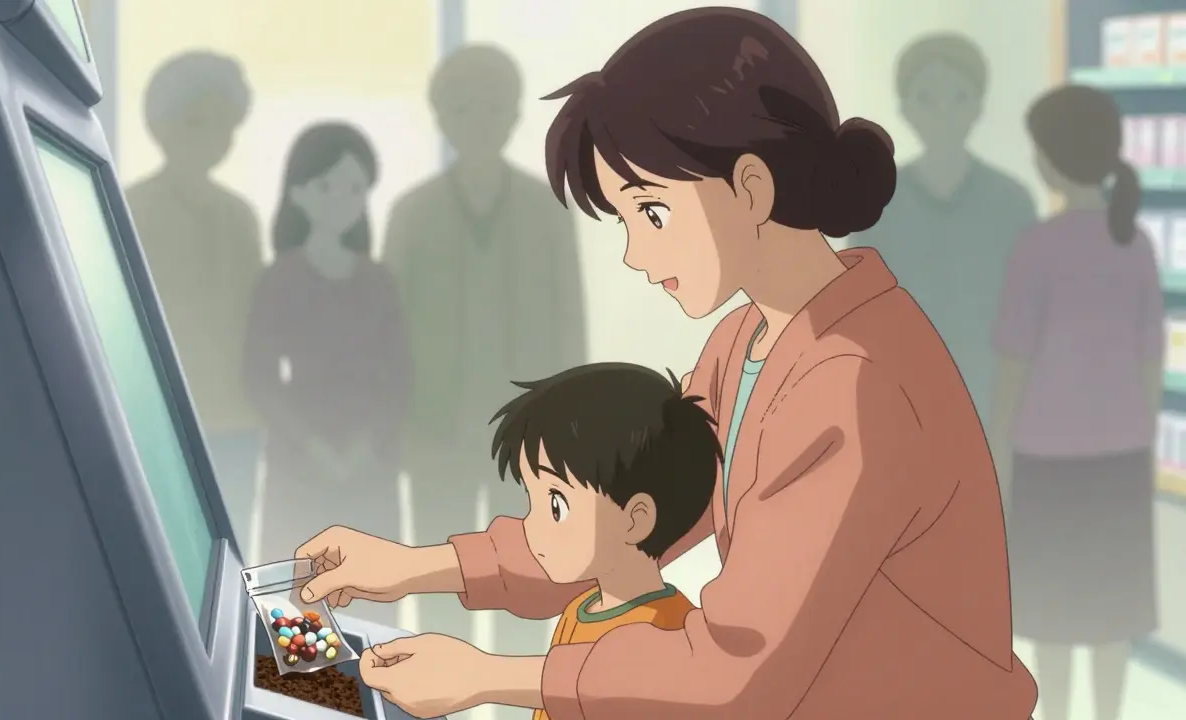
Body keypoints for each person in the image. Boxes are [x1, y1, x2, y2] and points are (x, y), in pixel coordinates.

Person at [298, 9, 1038, 719]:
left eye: (650, 213)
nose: (634, 253)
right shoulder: (746, 340)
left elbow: (734, 671)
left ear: (751, 187)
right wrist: (413, 568)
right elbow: (620, 518)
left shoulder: (853, 382)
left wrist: (490, 678)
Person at [382, 44, 587, 658]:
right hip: (434, 426)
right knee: (446, 575)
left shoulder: (546, 209)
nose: (478, 119)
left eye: (492, 105)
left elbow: (569, 320)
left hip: (528, 434)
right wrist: (396, 422)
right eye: (463, 107)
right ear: (441, 117)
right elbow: (388, 334)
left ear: (514, 114)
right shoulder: (411, 213)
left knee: (527, 576)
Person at [990, 86, 1161, 720]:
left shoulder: (1038, 246)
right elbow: (1151, 359)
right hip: (1120, 457)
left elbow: (1014, 367)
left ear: (1053, 159)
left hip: (1047, 461)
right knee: (1113, 616)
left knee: (1053, 620)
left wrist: (1001, 460)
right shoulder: (1136, 244)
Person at [479, 363, 720, 720]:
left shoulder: (669, 634)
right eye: (532, 501)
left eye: (556, 505)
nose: (531, 526)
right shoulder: (579, 610)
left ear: (635, 520)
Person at [244, 122, 410, 627]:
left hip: (370, 466)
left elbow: (401, 376)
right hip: (298, 463)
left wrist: (368, 443)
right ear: (297, 193)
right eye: (327, 187)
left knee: (372, 612)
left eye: (355, 189)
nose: (342, 200)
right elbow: (259, 376)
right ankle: (301, 705)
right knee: (298, 626)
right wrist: (310, 444)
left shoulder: (379, 281)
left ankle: (374, 697)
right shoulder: (280, 279)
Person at [850, 33, 1037, 422]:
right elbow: (857, 313)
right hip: (900, 403)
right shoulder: (877, 202)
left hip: (992, 405)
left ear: (978, 108)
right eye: (926, 100)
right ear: (905, 110)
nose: (943, 115)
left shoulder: (1012, 203)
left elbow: (1030, 318)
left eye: (959, 98)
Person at [126, 51, 264, 554]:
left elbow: (260, 323)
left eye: (222, 124)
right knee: (158, 549)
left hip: (236, 419)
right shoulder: (132, 208)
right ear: (159, 123)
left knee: (234, 550)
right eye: (194, 120)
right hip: (158, 417)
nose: (208, 135)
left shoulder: (241, 216)